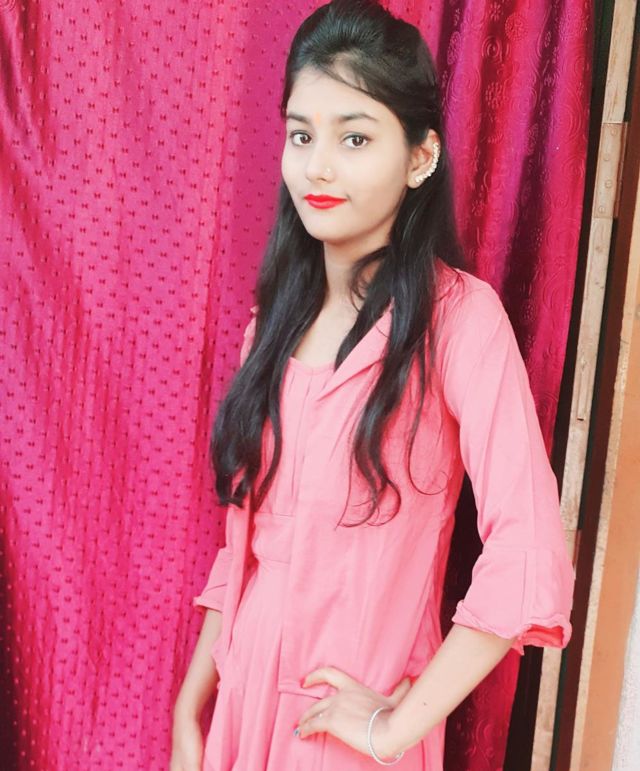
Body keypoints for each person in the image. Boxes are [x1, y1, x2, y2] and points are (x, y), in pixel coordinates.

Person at [171, 1, 575, 769]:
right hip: (240, 713)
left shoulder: (461, 320)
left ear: (420, 157)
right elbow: (248, 548)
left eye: (354, 137)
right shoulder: (272, 325)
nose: (318, 166)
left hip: (346, 728)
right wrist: (190, 708)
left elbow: (529, 550)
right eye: (302, 135)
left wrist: (394, 727)